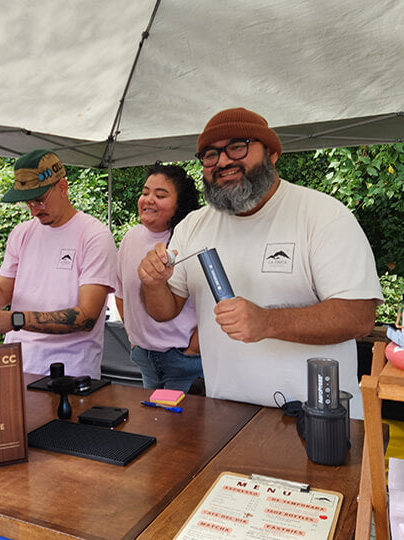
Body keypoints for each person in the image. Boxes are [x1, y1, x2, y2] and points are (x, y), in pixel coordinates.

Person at [138, 107, 383, 419]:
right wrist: (153, 282)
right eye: (210, 154)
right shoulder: (193, 226)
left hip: (318, 423)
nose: (223, 161)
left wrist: (268, 322)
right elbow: (164, 310)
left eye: (238, 146)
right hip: (224, 418)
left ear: (273, 153)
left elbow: (359, 317)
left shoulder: (322, 216)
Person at [0, 149, 117, 379]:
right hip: (18, 365)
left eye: (40, 200)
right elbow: (2, 293)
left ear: (62, 187)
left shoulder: (94, 236)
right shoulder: (21, 233)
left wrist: (15, 320)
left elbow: (86, 317)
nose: (34, 210)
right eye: (28, 202)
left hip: (70, 372)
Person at [115, 163, 203, 392]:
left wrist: (194, 349)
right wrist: (133, 338)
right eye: (145, 193)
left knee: (183, 426)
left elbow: (213, 301)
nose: (148, 199)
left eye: (160, 195)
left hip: (184, 360)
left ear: (180, 204)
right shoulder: (131, 237)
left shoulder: (191, 241)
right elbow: (120, 292)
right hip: (144, 357)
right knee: (152, 424)